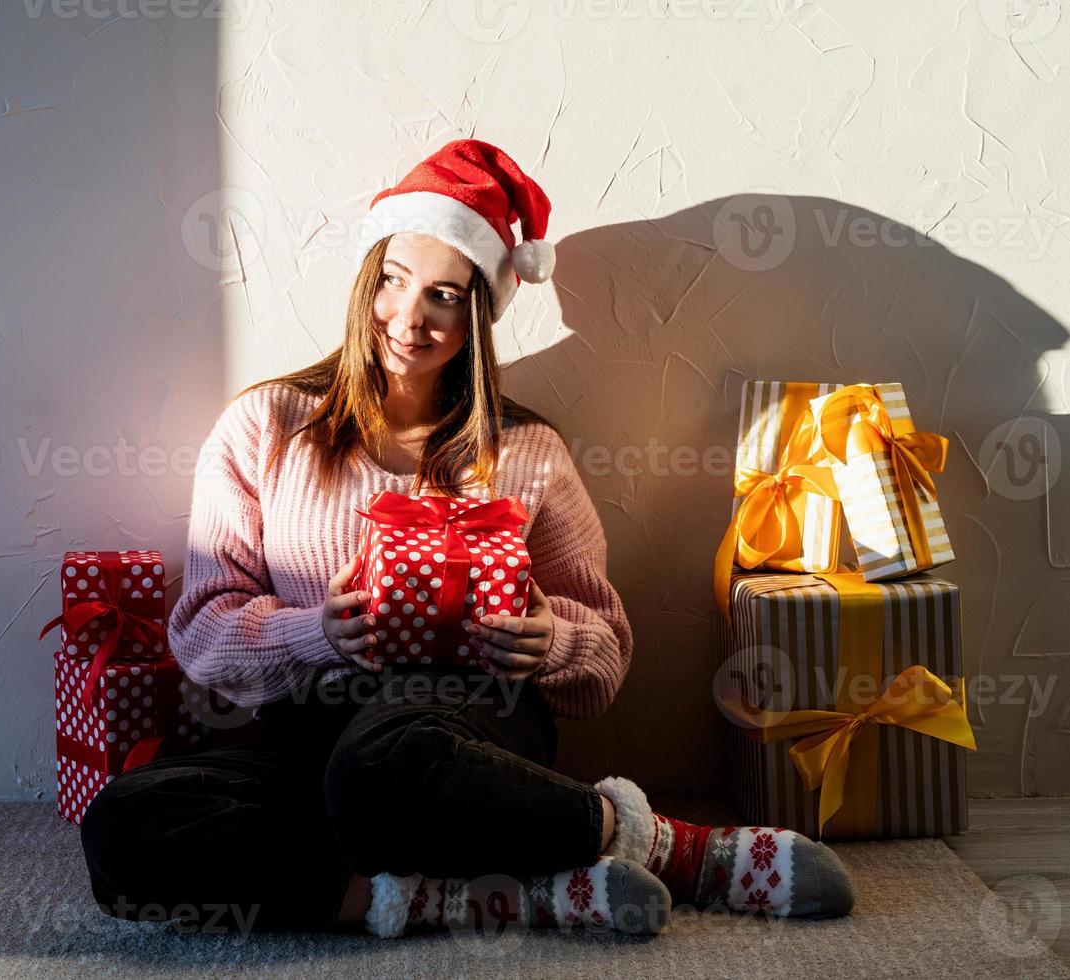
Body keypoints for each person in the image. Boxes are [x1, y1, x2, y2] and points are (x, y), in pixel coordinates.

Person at [79, 139, 854, 940]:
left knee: (381, 766)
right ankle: (495, 897)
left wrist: (550, 640)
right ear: (365, 278)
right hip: (308, 725)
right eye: (391, 280)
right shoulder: (266, 426)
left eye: (444, 295)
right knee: (124, 826)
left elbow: (605, 652)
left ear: (479, 312)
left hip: (461, 727)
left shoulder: (525, 453)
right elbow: (202, 633)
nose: (408, 318)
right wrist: (315, 632)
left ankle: (674, 848)